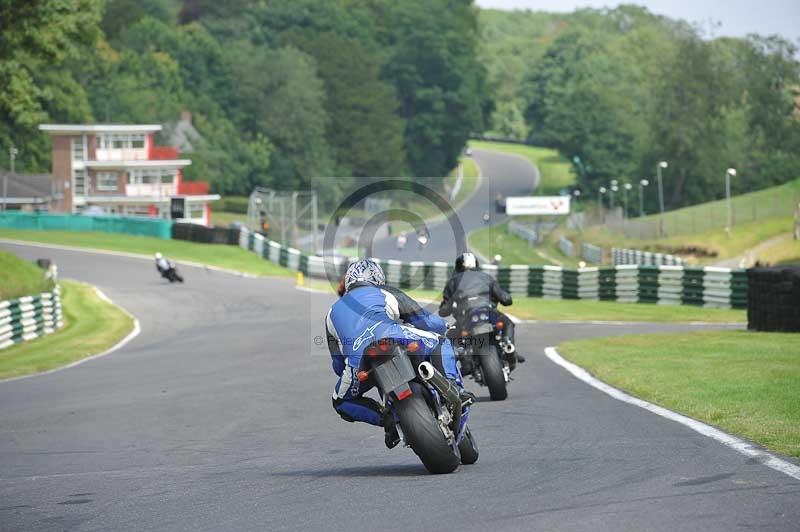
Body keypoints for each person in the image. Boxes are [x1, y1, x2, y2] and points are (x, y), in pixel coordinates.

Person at [325, 259, 473, 448]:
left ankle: (386, 420)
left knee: (340, 401)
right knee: (440, 341)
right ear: (378, 277)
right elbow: (426, 322)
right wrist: (446, 327)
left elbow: (338, 364)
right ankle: (455, 388)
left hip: (360, 361)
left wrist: (352, 370)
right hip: (395, 336)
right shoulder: (385, 292)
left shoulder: (331, 313)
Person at [438, 252, 524, 364]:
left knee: (449, 336)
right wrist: (504, 298)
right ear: (477, 265)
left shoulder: (453, 281)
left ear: (458, 266)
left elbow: (444, 310)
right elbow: (506, 299)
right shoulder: (486, 277)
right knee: (507, 323)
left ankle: (458, 358)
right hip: (488, 312)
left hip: (466, 316)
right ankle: (508, 344)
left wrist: (450, 309)